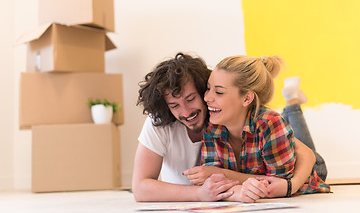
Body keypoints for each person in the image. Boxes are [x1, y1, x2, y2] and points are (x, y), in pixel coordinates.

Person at [132, 53, 317, 202]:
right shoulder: (206, 123)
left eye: (191, 99)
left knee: (280, 124)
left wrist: (291, 185)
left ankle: (292, 102)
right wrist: (206, 193)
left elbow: (306, 154)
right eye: (174, 105)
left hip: (298, 168)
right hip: (259, 168)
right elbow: (140, 188)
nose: (186, 112)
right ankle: (292, 102)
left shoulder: (218, 114)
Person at [192, 55, 330, 202]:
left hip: (306, 169)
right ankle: (291, 102)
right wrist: (216, 175)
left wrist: (221, 173)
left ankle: (292, 102)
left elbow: (276, 184)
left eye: (219, 92)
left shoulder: (270, 123)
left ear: (246, 98)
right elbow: (214, 182)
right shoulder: (212, 126)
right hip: (278, 145)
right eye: (208, 89)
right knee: (281, 128)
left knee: (283, 128)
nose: (207, 98)